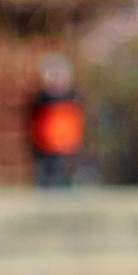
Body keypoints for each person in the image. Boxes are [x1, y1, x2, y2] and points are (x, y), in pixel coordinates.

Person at [28, 54, 86, 188]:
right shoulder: (42, 97)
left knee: (67, 178)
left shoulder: (73, 96)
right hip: (46, 144)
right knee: (47, 177)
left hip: (69, 144)